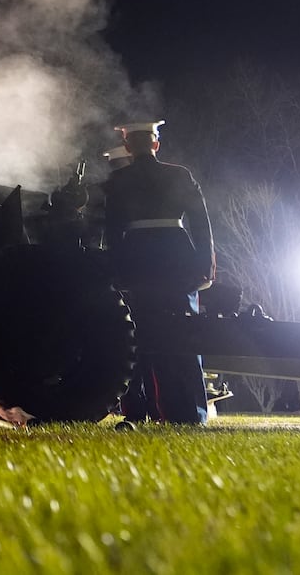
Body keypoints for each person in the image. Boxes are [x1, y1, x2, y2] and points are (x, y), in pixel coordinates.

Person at [104, 119, 216, 426]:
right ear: (156, 144)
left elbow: (112, 231)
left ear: (128, 147)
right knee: (185, 337)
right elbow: (201, 223)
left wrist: (115, 269)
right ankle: (192, 413)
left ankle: (155, 411)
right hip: (177, 257)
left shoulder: (118, 180)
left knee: (145, 338)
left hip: (138, 260)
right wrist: (205, 265)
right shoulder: (179, 174)